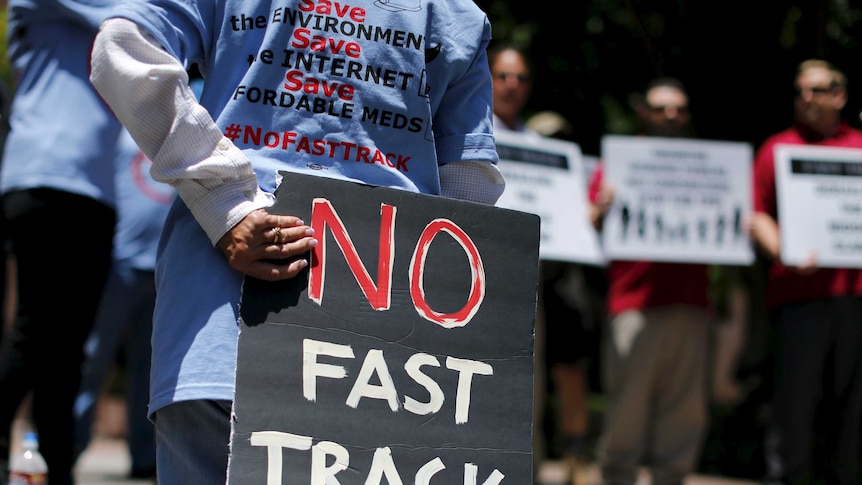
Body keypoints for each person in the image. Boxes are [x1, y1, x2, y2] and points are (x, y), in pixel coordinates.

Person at [87, 2, 505, 483]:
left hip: (221, 321)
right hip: (383, 364)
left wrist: (226, 203)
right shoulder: (453, 13)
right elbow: (469, 187)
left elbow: (122, 46)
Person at [0, 4, 122, 484]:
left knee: (70, 345)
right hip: (42, 176)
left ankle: (59, 463)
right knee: (34, 332)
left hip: (96, 190)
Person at [588, 77, 712, 485]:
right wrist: (600, 207)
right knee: (627, 406)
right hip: (633, 304)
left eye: (679, 109)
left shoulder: (707, 169)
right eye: (661, 108)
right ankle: (617, 477)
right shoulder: (618, 165)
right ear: (644, 113)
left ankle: (670, 478)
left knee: (684, 410)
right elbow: (582, 226)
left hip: (691, 304)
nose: (671, 116)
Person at [747, 59, 862, 485]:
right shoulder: (777, 148)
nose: (806, 99)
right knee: (793, 409)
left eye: (816, 90)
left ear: (840, 96)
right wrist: (786, 252)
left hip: (856, 299)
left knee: (851, 414)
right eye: (800, 92)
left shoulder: (860, 147)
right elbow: (757, 216)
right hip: (799, 300)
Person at [489, 43, 594, 484]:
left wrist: (592, 214)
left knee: (527, 387)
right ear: (487, 79)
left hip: (536, 282)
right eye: (503, 76)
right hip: (483, 278)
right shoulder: (471, 134)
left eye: (521, 78)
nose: (513, 85)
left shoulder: (541, 148)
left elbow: (565, 222)